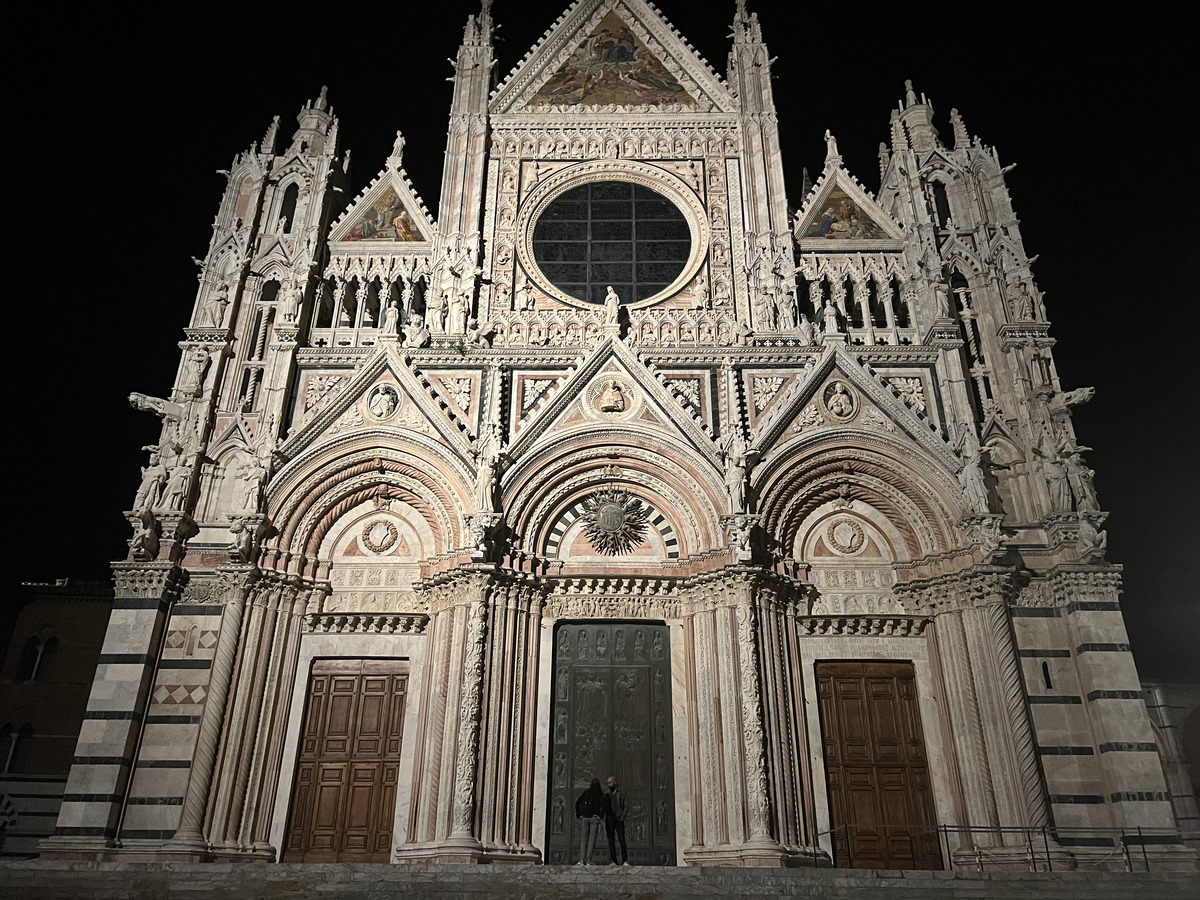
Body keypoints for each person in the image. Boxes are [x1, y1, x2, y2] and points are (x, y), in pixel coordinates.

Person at [574, 778, 605, 865]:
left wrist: (579, 814)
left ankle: (581, 859)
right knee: (592, 840)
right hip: (594, 818)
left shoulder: (586, 793)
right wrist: (600, 816)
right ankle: (588, 860)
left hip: (585, 818)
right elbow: (603, 805)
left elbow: (577, 803)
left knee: (584, 840)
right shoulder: (599, 794)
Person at [604, 775, 629, 866]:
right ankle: (613, 860)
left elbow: (626, 805)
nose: (608, 784)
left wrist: (622, 816)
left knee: (622, 839)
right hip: (610, 821)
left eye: (610, 782)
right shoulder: (607, 794)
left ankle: (625, 860)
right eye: (607, 783)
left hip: (619, 819)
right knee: (611, 841)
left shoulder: (621, 793)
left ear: (614, 782)